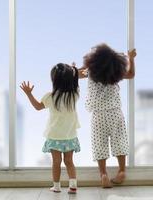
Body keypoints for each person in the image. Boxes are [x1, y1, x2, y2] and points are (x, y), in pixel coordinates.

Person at [80, 43, 136, 188]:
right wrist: (131, 58)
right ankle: (122, 170)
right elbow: (131, 74)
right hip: (115, 112)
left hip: (98, 114)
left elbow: (77, 74)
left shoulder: (90, 71)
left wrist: (73, 68)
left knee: (99, 143)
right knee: (120, 140)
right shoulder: (115, 72)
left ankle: (103, 174)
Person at [20, 63, 81, 194]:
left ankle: (57, 186)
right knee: (69, 161)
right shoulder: (74, 95)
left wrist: (29, 94)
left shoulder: (50, 97)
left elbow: (37, 107)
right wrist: (74, 72)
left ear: (54, 80)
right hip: (70, 135)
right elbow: (75, 84)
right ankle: (73, 185)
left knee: (56, 162)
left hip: (55, 136)